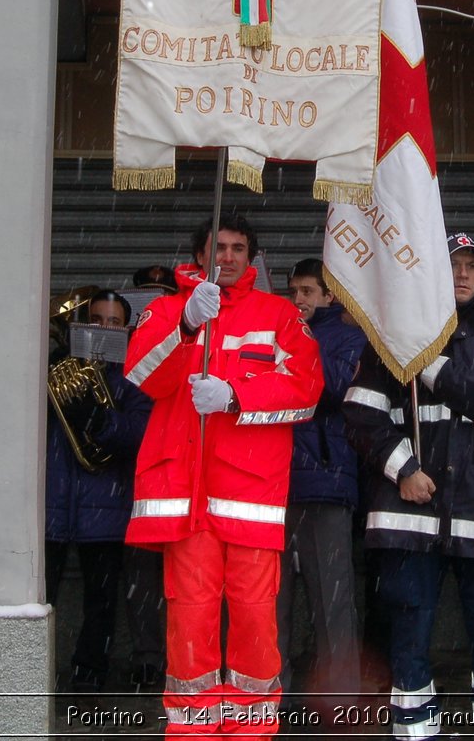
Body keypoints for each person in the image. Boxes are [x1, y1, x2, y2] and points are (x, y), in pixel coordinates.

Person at [124, 213, 322, 738]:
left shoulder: (279, 315)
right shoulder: (167, 311)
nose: (228, 257)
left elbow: (305, 390)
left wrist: (237, 396)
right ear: (200, 255)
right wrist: (186, 324)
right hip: (187, 499)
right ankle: (191, 730)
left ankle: (251, 730)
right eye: (219, 248)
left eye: (238, 248)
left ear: (251, 257)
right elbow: (142, 374)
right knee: (189, 620)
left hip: (250, 496)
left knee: (257, 621)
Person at [344, 233, 474, 741]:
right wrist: (403, 469)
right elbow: (361, 416)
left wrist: (424, 361)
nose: (464, 275)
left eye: (473, 267)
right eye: (453, 266)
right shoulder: (386, 340)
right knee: (409, 647)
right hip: (409, 520)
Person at [44, 290, 153, 693]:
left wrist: (99, 418)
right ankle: (38, 673)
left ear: (124, 329)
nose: (103, 329)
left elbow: (142, 432)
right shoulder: (56, 369)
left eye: (112, 322)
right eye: (95, 321)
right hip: (52, 506)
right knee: (43, 599)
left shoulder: (134, 376)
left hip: (106, 506)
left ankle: (89, 675)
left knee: (101, 601)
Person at [278, 258, 365, 712]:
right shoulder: (282, 331)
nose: (299, 300)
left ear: (330, 296)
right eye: (293, 292)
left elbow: (331, 387)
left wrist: (300, 340)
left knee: (332, 603)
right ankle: (270, 698)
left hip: (325, 484)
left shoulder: (348, 337)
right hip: (273, 485)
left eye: (308, 292)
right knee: (272, 604)